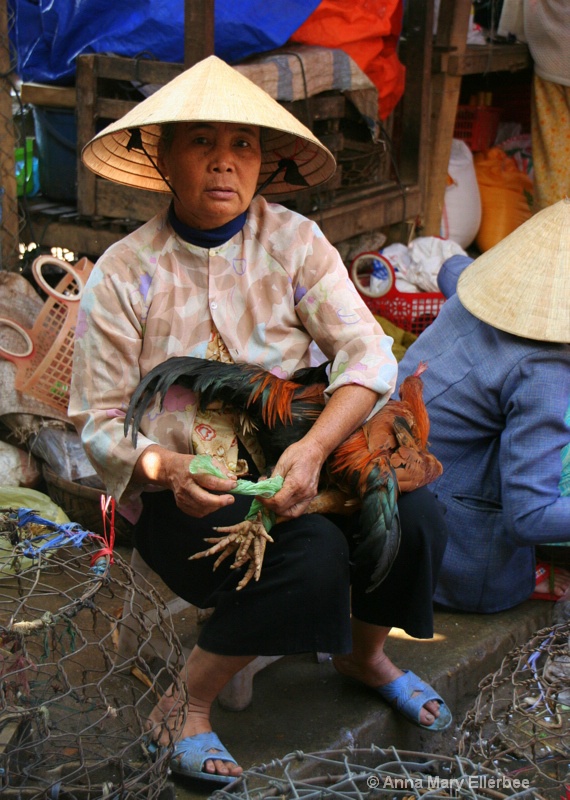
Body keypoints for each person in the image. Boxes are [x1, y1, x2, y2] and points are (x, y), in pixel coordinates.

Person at [69, 55, 450, 785]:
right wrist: (167, 466)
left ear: (264, 161)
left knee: (418, 517)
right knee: (310, 556)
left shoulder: (294, 242)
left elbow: (367, 353)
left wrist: (313, 449)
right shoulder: (124, 271)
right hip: (190, 493)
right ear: (163, 156)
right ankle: (184, 704)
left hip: (298, 454)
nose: (223, 162)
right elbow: (99, 421)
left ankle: (363, 654)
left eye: (242, 144)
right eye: (201, 142)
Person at [397, 199, 570, 615]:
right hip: (450, 550)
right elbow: (530, 517)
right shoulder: (543, 368)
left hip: (401, 471)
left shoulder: (483, 288)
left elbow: (450, 270)